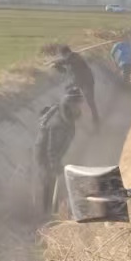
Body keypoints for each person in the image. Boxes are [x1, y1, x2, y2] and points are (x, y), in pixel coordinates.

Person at [33, 85, 84, 215]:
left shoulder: (66, 116)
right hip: (44, 155)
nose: (79, 107)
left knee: (55, 179)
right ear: (69, 103)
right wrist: (55, 166)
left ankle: (54, 209)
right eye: (77, 104)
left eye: (80, 103)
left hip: (54, 152)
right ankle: (47, 214)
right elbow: (51, 150)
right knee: (49, 181)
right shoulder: (58, 124)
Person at [49, 44, 100, 126]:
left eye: (63, 55)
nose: (63, 56)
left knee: (90, 100)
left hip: (87, 81)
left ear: (67, 53)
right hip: (80, 81)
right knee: (83, 98)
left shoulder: (75, 57)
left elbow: (67, 61)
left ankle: (95, 119)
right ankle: (78, 114)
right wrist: (57, 66)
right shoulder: (71, 59)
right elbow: (66, 70)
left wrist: (57, 62)